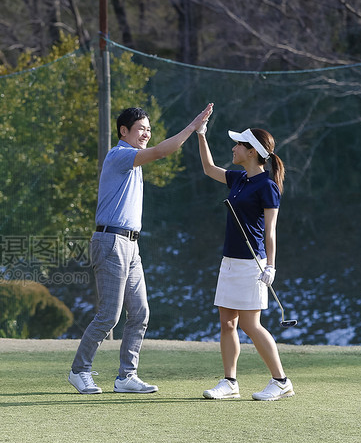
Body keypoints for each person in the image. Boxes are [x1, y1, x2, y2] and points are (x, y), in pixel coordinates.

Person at [69, 104, 213, 394]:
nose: (146, 133)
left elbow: (156, 150)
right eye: (141, 129)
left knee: (140, 313)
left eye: (149, 129)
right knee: (109, 315)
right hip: (111, 242)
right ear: (124, 131)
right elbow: (162, 151)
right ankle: (79, 370)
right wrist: (193, 126)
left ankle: (126, 377)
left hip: (130, 245)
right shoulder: (120, 155)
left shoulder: (132, 160)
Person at [195, 113, 295, 400]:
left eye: (238, 144)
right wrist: (202, 135)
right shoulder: (238, 179)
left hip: (253, 265)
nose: (233, 148)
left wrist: (271, 266)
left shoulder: (268, 186)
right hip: (229, 262)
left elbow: (271, 232)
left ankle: (280, 381)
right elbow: (208, 168)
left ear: (252, 151)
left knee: (251, 325)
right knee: (227, 323)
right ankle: (230, 382)